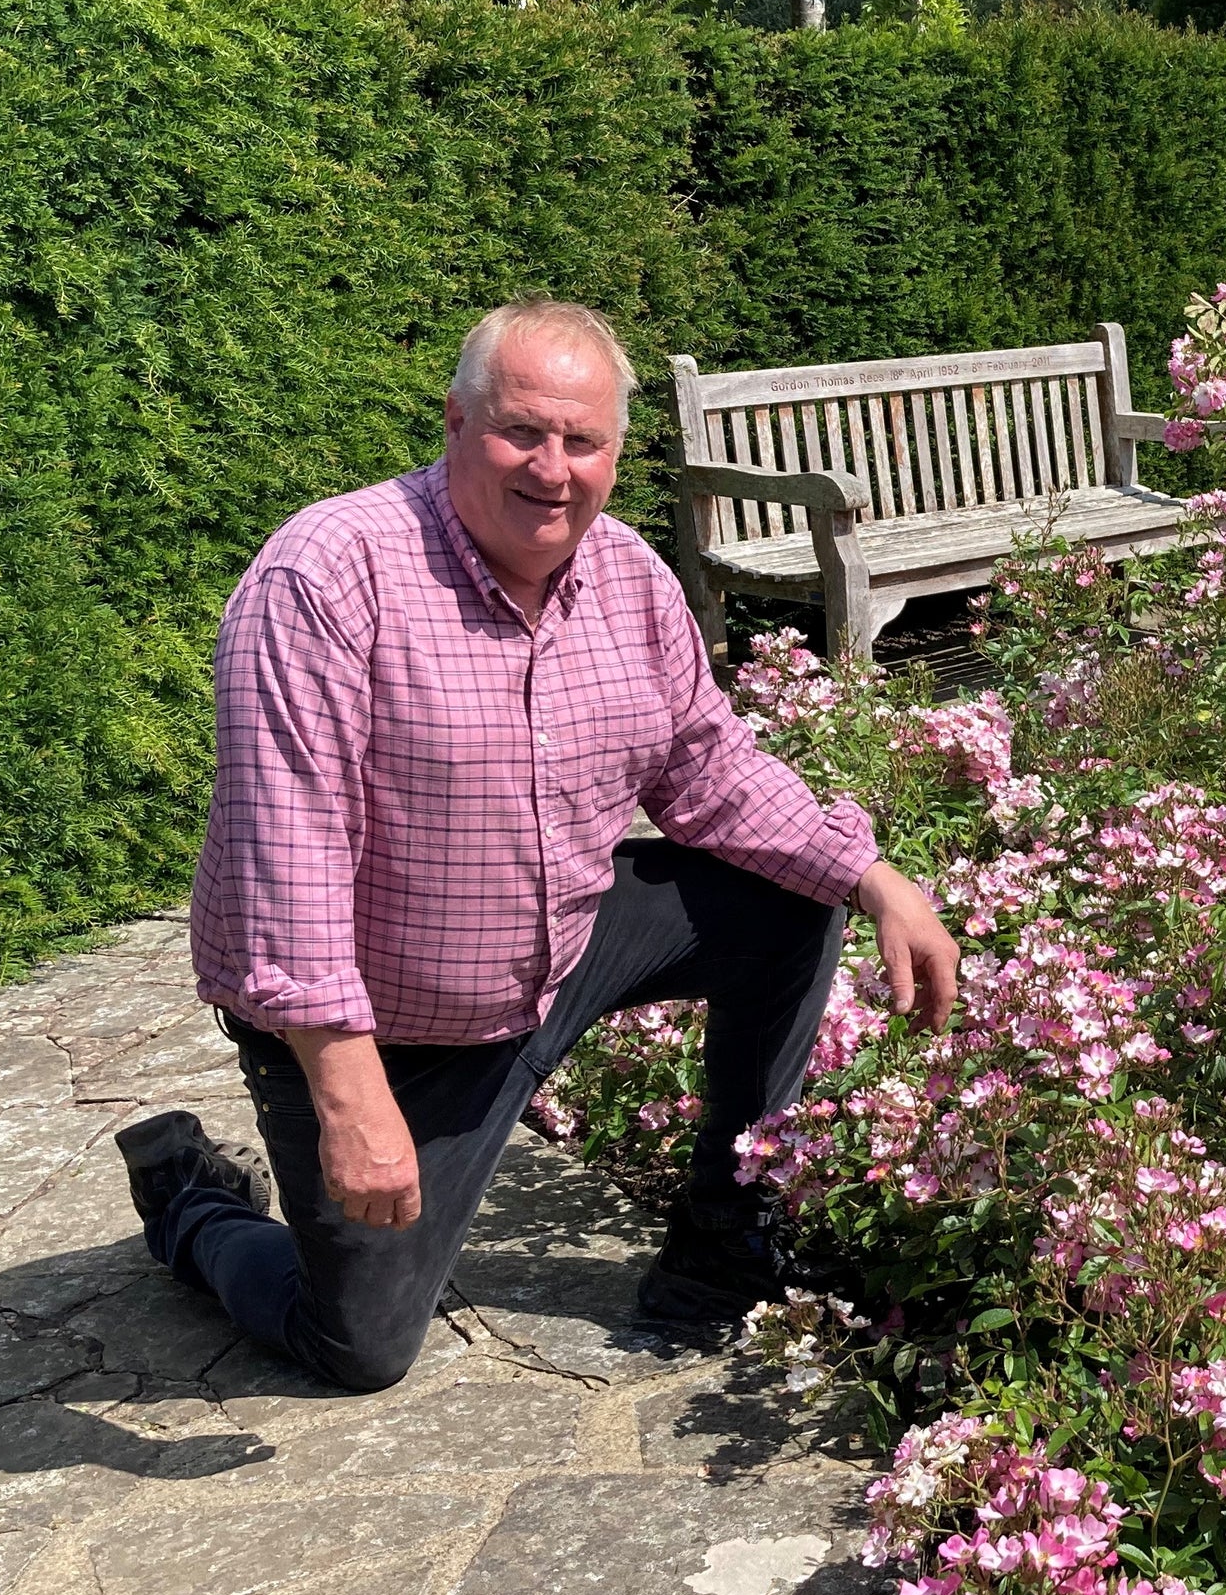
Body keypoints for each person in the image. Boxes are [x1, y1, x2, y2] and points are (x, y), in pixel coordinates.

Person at [115, 299, 958, 1391]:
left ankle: (723, 1246)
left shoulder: (631, 578)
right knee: (357, 1346)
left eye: (583, 441)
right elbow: (285, 853)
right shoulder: (325, 576)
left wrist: (874, 876)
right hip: (390, 1020)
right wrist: (349, 1094)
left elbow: (707, 769)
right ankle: (191, 1198)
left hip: (559, 953)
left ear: (615, 453)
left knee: (793, 902)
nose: (553, 470)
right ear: (457, 424)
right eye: (523, 431)